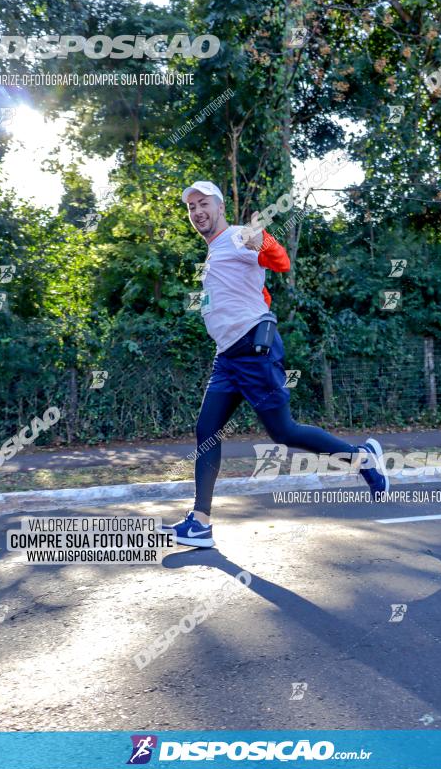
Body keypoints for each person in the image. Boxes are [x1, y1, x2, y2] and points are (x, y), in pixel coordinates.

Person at [163, 181, 388, 548]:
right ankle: (200, 522)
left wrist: (262, 241)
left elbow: (279, 261)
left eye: (203, 204)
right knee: (206, 431)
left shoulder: (237, 237)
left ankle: (362, 459)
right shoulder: (216, 250)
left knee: (283, 433)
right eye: (191, 207)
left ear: (220, 207)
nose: (197, 212)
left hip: (253, 349)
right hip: (228, 358)